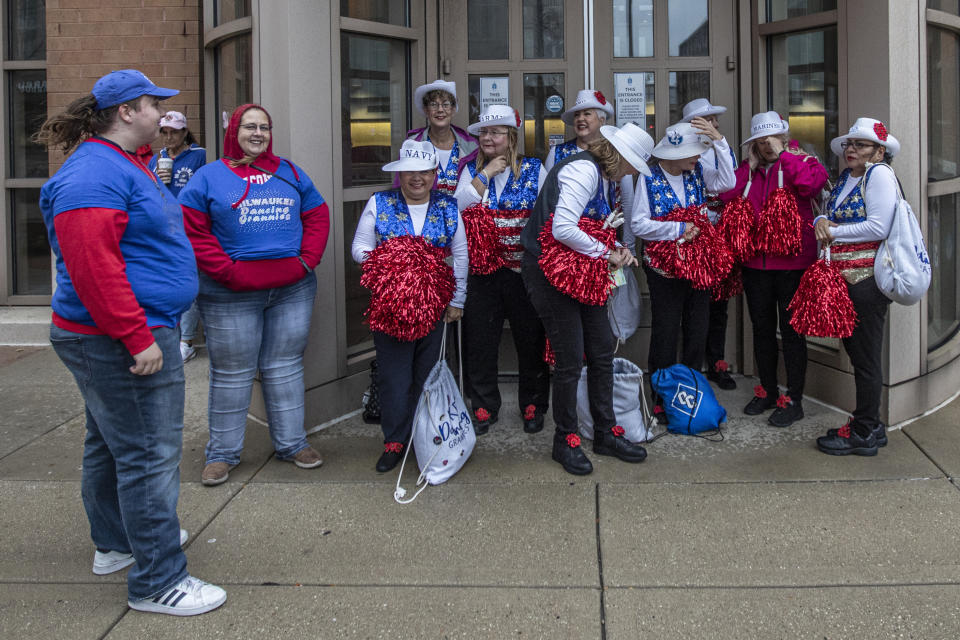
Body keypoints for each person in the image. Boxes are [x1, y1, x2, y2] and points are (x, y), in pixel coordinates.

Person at [36, 69, 226, 616]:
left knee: (109, 443)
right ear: (126, 112)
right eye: (152, 105)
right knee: (148, 456)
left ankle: (118, 543)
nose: (162, 114)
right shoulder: (93, 175)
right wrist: (135, 336)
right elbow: (93, 267)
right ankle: (158, 581)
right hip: (121, 337)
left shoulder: (123, 164)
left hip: (123, 333)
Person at [179, 103, 330, 486]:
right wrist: (227, 271)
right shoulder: (208, 177)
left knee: (285, 366)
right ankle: (222, 455)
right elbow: (193, 231)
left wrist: (307, 259)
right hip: (229, 292)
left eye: (264, 127)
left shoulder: (290, 172)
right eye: (249, 126)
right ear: (234, 130)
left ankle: (293, 444)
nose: (258, 133)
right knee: (232, 373)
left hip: (291, 288)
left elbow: (317, 213)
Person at [520, 123, 653, 474]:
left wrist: (618, 250)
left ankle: (606, 432)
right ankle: (565, 440)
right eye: (632, 165)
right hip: (548, 270)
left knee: (601, 348)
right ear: (620, 156)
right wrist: (605, 252)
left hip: (580, 268)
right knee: (568, 358)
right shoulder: (583, 169)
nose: (631, 173)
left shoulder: (607, 180)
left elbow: (595, 228)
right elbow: (562, 228)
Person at [351, 140, 468, 471]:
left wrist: (457, 300)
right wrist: (390, 263)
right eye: (409, 172)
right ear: (399, 175)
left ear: (434, 174)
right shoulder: (380, 202)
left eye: (424, 172)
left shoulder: (448, 206)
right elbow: (360, 246)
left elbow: (460, 254)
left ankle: (425, 436)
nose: (416, 178)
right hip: (390, 309)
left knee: (426, 375)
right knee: (393, 377)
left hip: (434, 308)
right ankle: (395, 441)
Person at [719, 112, 828, 428]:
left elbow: (809, 186)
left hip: (793, 266)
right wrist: (747, 168)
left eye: (772, 138)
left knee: (792, 333)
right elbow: (726, 195)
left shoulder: (804, 162)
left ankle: (794, 400)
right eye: (760, 140)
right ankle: (767, 390)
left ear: (784, 135)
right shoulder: (749, 171)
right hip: (756, 265)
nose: (766, 145)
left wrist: (785, 156)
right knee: (762, 330)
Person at [631, 120, 737, 420]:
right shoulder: (648, 177)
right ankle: (661, 397)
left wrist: (719, 141)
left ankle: (691, 392)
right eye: (694, 151)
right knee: (665, 332)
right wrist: (679, 228)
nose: (698, 156)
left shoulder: (699, 171)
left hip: (699, 265)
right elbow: (638, 223)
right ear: (673, 154)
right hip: (664, 270)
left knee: (697, 329)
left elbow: (728, 182)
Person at [454, 104, 550, 435]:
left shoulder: (535, 169)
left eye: (495, 132)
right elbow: (457, 208)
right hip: (483, 273)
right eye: (483, 132)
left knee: (530, 340)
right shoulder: (470, 171)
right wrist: (487, 173)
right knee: (480, 340)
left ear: (511, 137)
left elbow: (548, 216)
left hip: (524, 272)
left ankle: (533, 404)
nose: (487, 137)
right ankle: (483, 406)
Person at [814, 118, 899, 456]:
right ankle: (871, 425)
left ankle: (863, 431)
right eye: (849, 144)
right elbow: (828, 215)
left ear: (879, 152)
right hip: (844, 280)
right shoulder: (848, 178)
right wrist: (821, 220)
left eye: (860, 145)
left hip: (865, 282)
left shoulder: (879, 175)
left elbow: (878, 226)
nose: (851, 150)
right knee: (858, 353)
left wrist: (832, 231)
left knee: (865, 358)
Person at [680, 98, 739, 390]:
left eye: (715, 120)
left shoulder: (720, 149)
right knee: (692, 306)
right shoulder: (685, 156)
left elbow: (729, 183)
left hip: (720, 235)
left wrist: (719, 142)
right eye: (707, 120)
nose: (714, 125)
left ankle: (716, 363)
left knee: (719, 305)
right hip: (694, 236)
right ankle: (689, 367)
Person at [148, 110, 208, 362]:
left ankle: (186, 341)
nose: (169, 137)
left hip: (192, 227)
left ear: (185, 132)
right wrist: (158, 182)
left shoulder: (200, 156)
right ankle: (169, 337)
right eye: (165, 132)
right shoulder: (156, 159)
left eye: (174, 132)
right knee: (167, 282)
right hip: (165, 229)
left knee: (191, 282)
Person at [403, 79, 478, 194]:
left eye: (446, 104)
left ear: (453, 109)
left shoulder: (471, 146)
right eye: (433, 104)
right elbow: (403, 184)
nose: (440, 110)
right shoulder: (413, 143)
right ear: (426, 110)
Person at [544, 89, 614, 171]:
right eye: (577, 115)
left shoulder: (613, 154)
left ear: (601, 121)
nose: (580, 118)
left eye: (587, 113)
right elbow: (548, 183)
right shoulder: (556, 153)